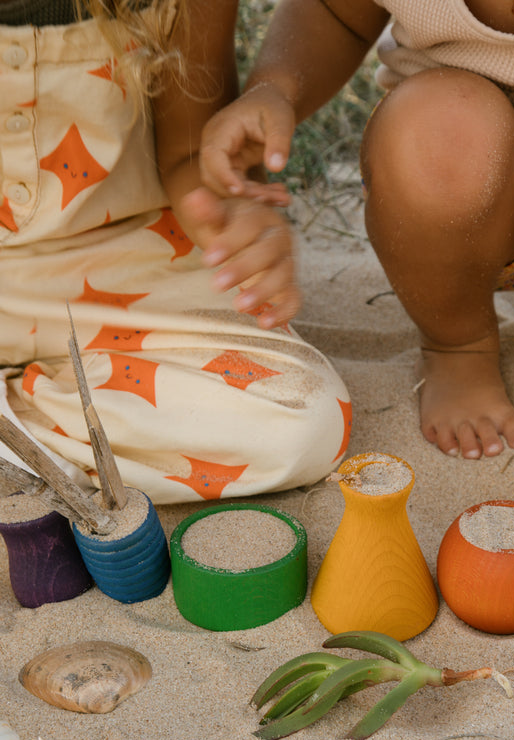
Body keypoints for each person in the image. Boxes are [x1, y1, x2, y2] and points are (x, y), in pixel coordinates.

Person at [197, 0, 514, 582]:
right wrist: (276, 88)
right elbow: (337, 14)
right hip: (453, 221)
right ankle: (458, 344)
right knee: (435, 125)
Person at [0, 0, 350, 503]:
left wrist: (229, 216)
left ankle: (20, 442)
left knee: (305, 421)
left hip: (128, 264)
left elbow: (190, 153)